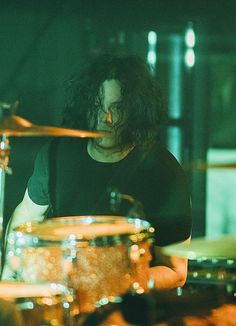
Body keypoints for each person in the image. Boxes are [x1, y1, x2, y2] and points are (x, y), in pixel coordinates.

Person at [2, 53, 191, 291]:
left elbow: (176, 272)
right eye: (97, 107)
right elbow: (27, 215)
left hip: (126, 309)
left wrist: (119, 283)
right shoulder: (57, 153)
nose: (106, 119)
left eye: (117, 108)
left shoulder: (163, 171)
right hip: (63, 300)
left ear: (135, 110)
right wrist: (9, 278)